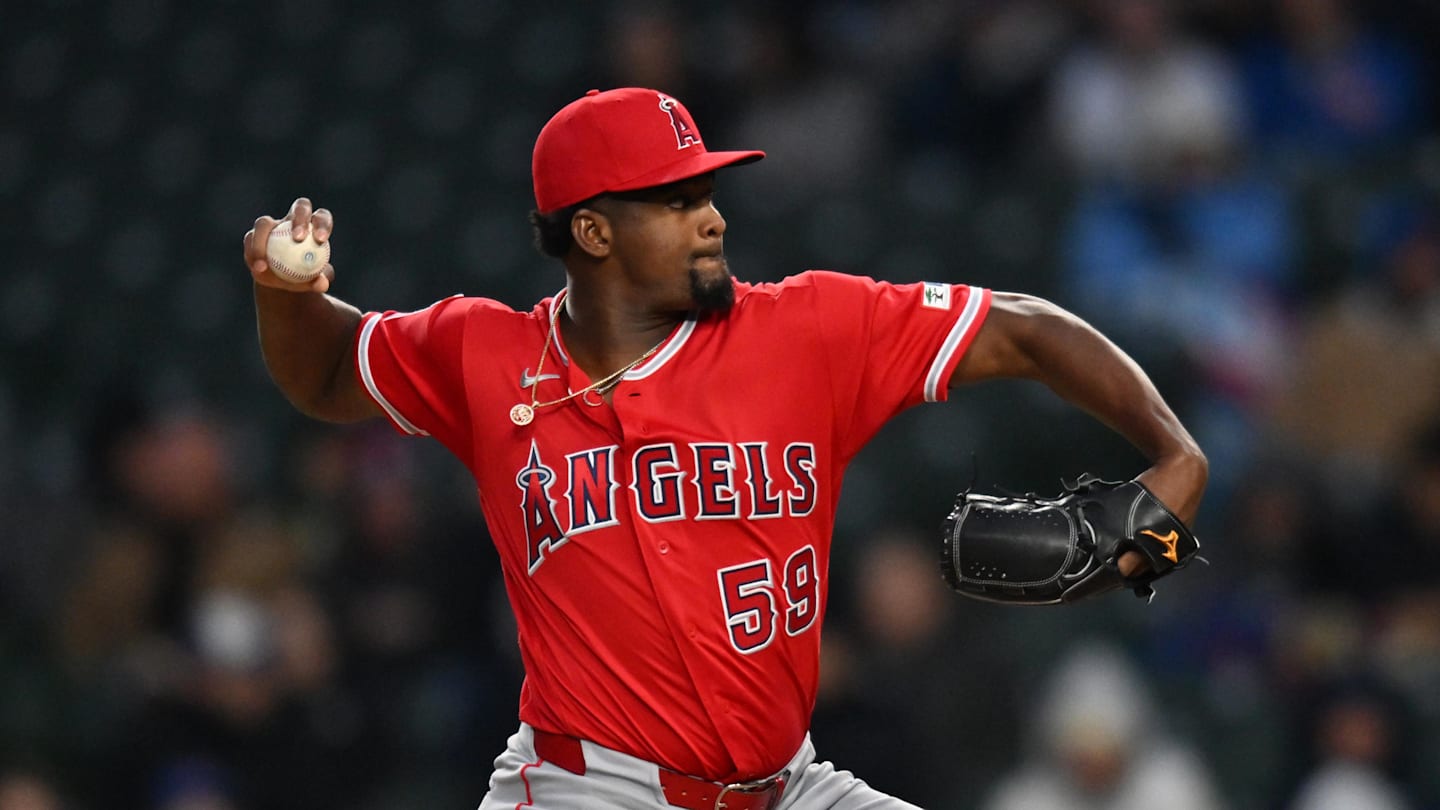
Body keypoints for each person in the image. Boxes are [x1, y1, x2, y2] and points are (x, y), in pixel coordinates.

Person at [242, 87, 1207, 810]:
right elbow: (325, 376)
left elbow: (1024, 327)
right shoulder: (482, 353)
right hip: (592, 793)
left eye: (704, 188)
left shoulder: (807, 330)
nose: (712, 214)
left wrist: (1176, 454)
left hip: (787, 789)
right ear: (593, 230)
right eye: (673, 198)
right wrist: (290, 298)